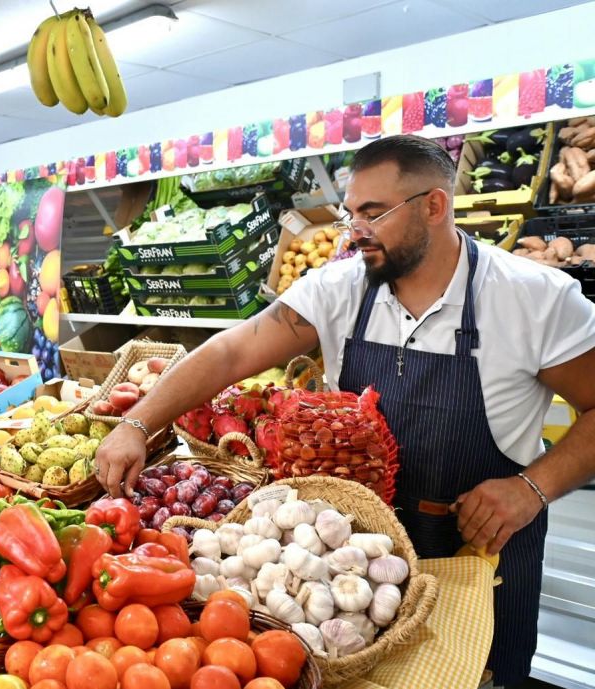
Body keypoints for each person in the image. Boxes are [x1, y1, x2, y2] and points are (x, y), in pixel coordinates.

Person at [95, 135, 595, 686]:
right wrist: (138, 422)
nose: (355, 231)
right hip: (349, 561)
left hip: (483, 555)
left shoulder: (534, 298)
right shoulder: (342, 288)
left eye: (373, 213)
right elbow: (233, 349)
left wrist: (532, 489)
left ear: (435, 205)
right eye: (350, 214)